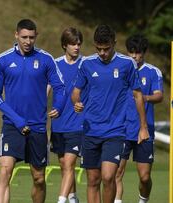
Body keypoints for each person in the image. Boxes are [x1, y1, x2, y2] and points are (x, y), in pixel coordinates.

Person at [71, 24, 149, 203]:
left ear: (114, 43)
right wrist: (76, 103)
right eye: (98, 49)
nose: (102, 53)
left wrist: (143, 127)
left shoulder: (126, 64)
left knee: (108, 177)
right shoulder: (87, 64)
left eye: (106, 49)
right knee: (92, 180)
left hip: (115, 131)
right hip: (90, 130)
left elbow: (138, 95)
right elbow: (76, 92)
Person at [0, 19, 66, 203]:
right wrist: (16, 119)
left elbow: (60, 87)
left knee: (39, 178)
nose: (28, 41)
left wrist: (58, 106)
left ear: (36, 37)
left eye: (31, 37)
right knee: (5, 171)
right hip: (11, 125)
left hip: (37, 127)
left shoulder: (46, 59)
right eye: (24, 37)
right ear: (16, 35)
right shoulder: (3, 59)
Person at [114, 34, 163, 203]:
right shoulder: (120, 70)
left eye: (138, 52)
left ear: (144, 53)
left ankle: (143, 200)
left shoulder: (152, 72)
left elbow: (159, 96)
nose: (134, 56)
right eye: (131, 52)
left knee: (144, 177)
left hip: (144, 131)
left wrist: (144, 98)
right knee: (116, 173)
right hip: (121, 130)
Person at [49, 27, 85, 203]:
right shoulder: (54, 64)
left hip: (78, 124)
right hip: (58, 124)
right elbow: (46, 90)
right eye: (73, 44)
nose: (77, 47)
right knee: (64, 165)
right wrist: (44, 108)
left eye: (79, 44)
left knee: (70, 164)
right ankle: (73, 198)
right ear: (64, 45)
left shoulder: (86, 64)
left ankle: (61, 200)